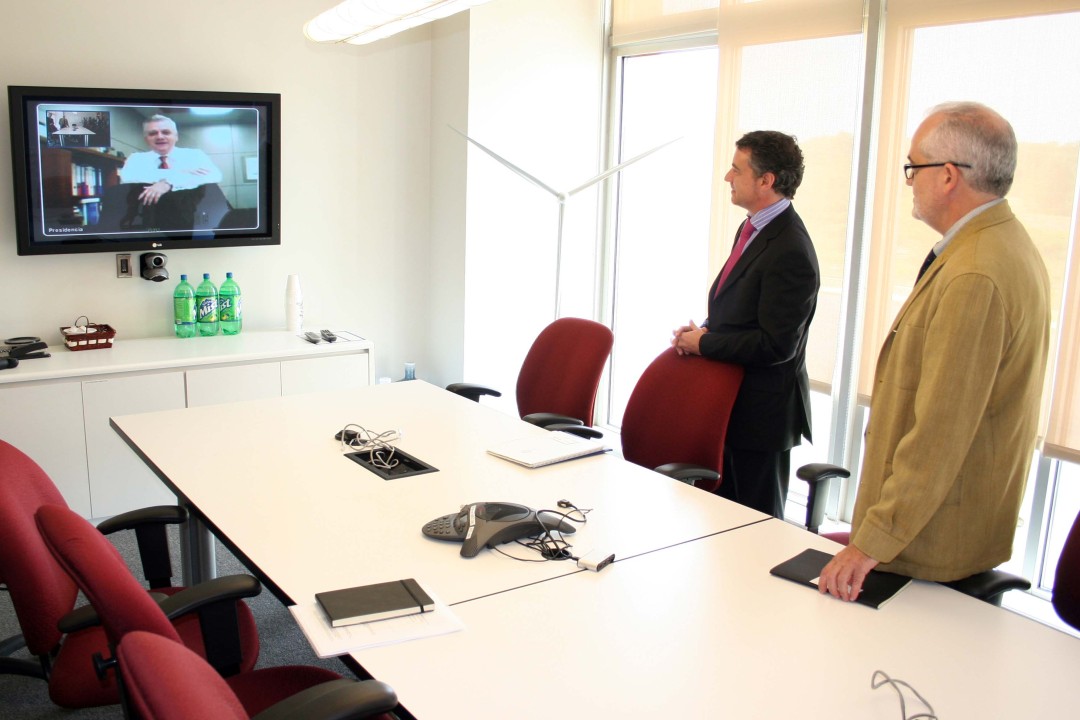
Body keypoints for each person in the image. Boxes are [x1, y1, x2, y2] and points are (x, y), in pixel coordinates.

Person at [819, 102, 1051, 602]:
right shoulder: (999, 243)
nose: (909, 182)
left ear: (948, 176)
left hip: (930, 542)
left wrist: (870, 543)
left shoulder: (976, 272)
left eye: (913, 167)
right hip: (937, 527)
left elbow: (939, 434)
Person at [672, 130, 820, 518]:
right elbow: (741, 307)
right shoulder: (752, 226)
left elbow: (776, 344)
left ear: (766, 180)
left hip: (761, 418)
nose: (727, 177)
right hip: (729, 402)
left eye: (737, 170)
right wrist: (704, 331)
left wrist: (704, 344)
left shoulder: (791, 249)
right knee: (719, 521)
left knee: (755, 528)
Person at [119, 114, 222, 208]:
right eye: (153, 133)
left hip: (188, 213)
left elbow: (214, 176)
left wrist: (169, 183)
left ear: (176, 137)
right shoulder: (136, 159)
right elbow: (128, 179)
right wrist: (182, 174)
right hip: (147, 214)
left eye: (166, 132)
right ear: (146, 139)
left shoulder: (195, 155)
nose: (160, 137)